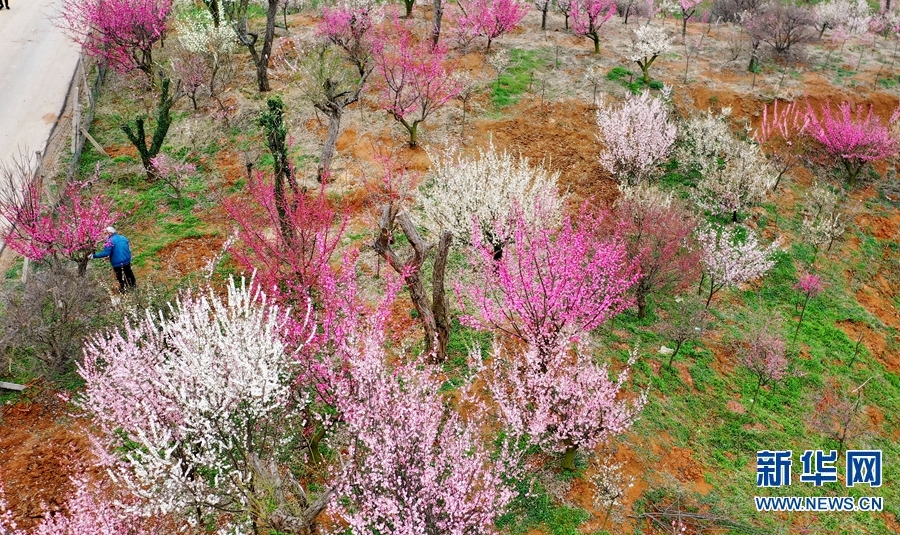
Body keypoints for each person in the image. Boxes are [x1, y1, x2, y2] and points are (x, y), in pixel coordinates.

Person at [92, 226, 136, 293]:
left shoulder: (109, 242)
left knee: (120, 277)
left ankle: (124, 291)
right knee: (129, 273)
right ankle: (133, 287)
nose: (104, 236)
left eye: (105, 233)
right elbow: (121, 249)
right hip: (127, 260)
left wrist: (93, 256)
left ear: (109, 233)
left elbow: (106, 253)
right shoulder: (123, 238)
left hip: (117, 263)